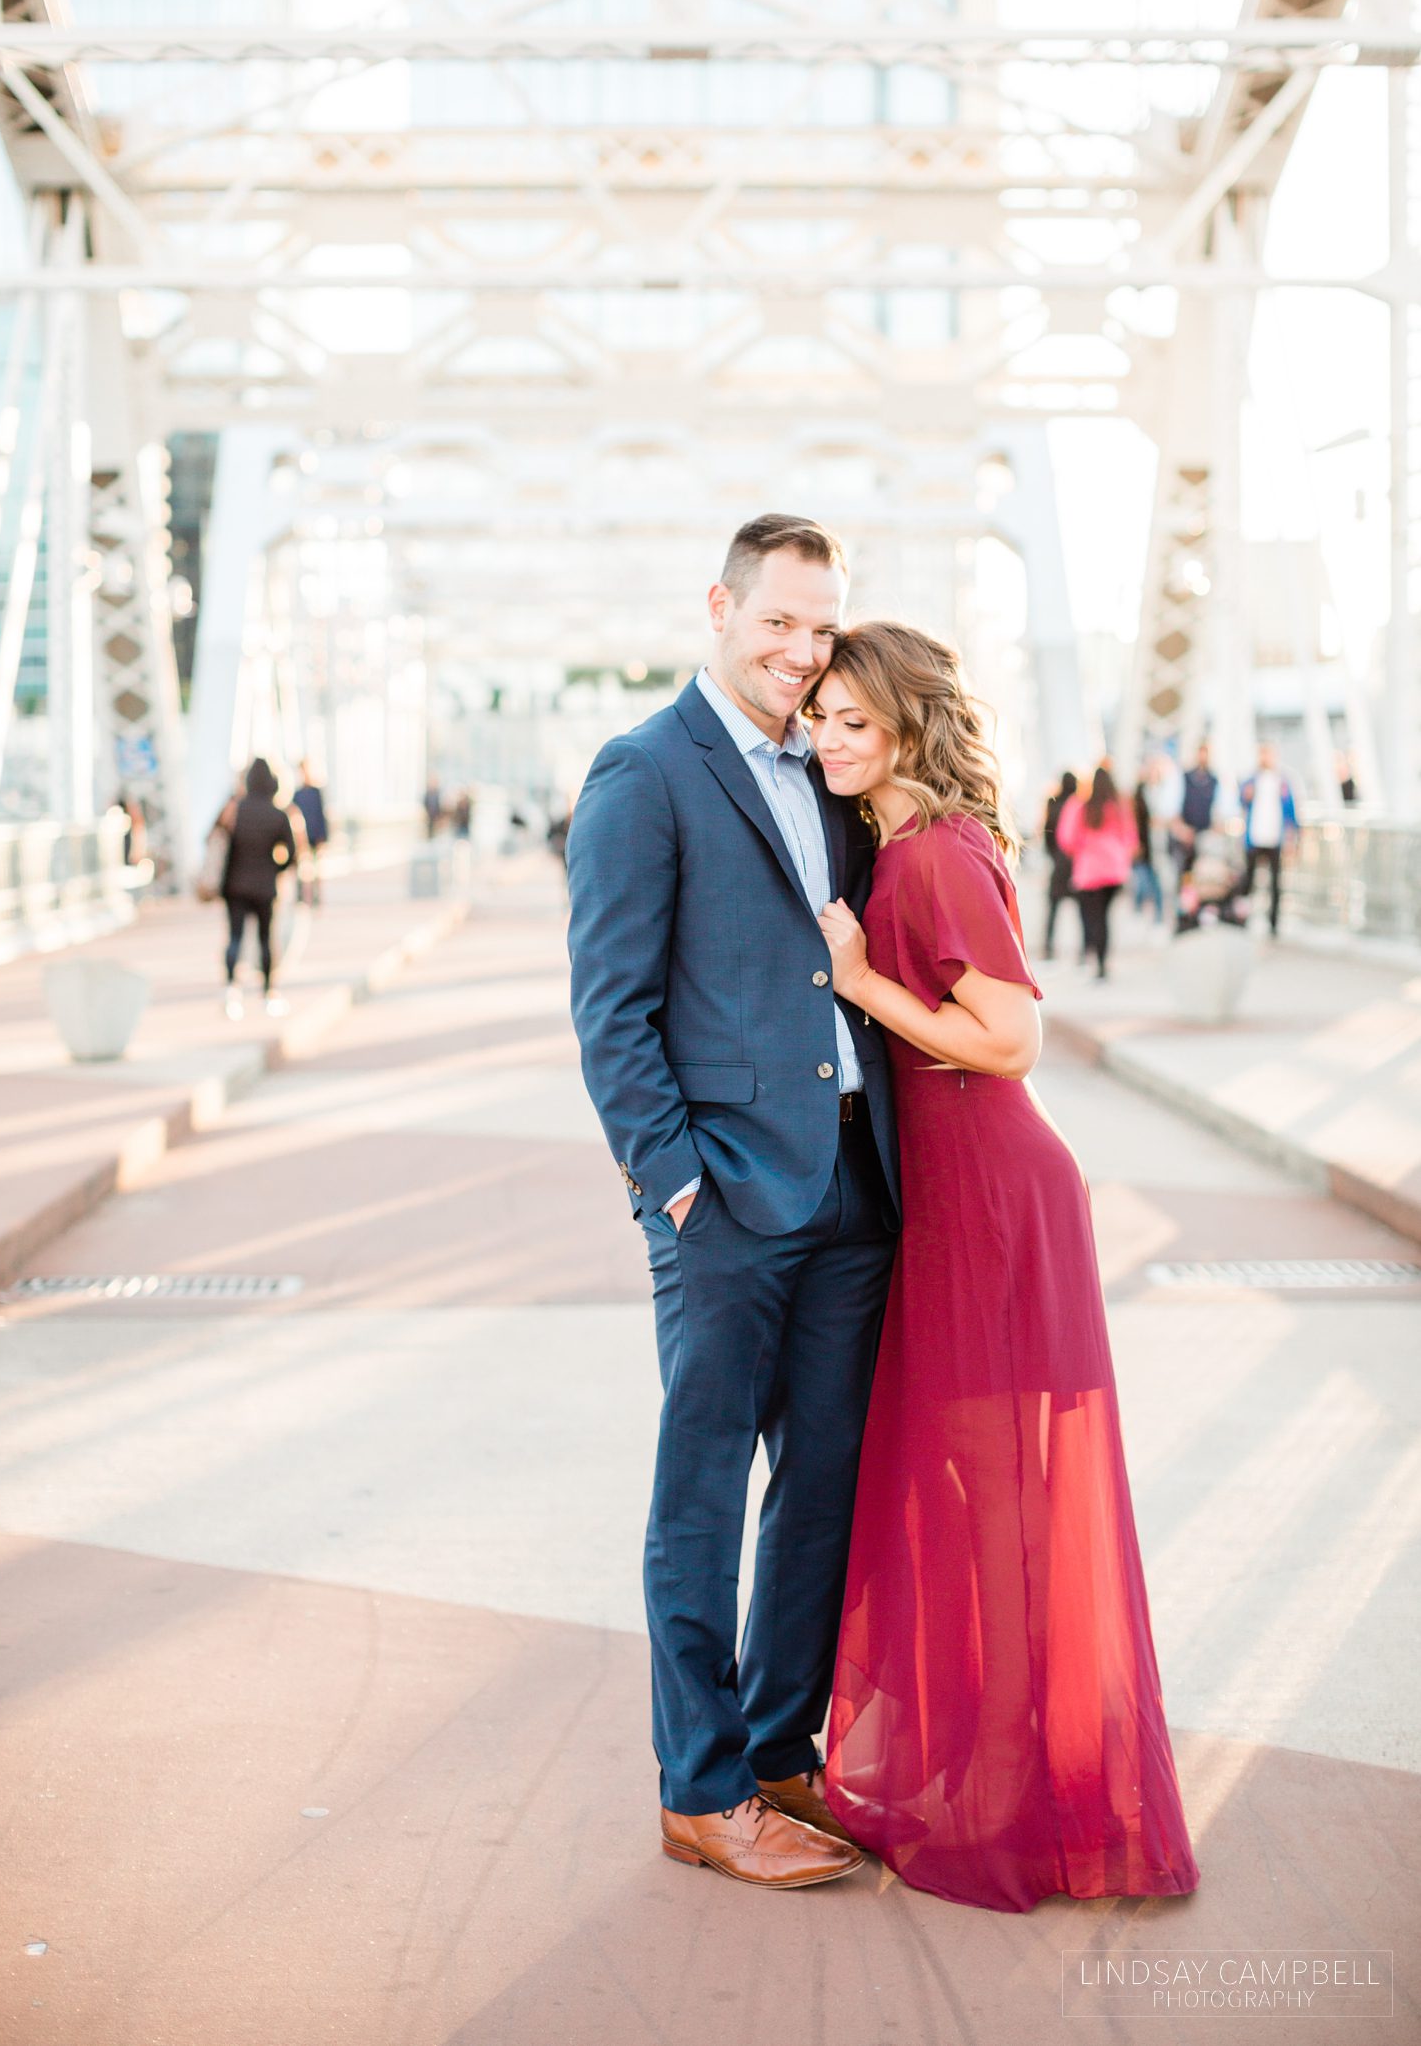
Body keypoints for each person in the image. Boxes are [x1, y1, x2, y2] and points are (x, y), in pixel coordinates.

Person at [809, 619, 1199, 1913]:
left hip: (990, 1194)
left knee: (1001, 1510)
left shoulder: (930, 856)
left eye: (853, 722)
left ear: (909, 726)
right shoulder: (922, 842)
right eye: (820, 719)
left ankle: (1017, 1784)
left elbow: (1013, 1038)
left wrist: (862, 984)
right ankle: (1018, 1765)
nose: (829, 741)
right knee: (992, 1497)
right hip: (965, 1193)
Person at [566, 513, 901, 1890]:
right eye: (779, 623)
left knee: (820, 1485)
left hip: (847, 1192)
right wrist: (681, 1187)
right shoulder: (646, 771)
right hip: (722, 1204)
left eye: (822, 629)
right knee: (702, 1489)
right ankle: (697, 1789)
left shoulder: (830, 768)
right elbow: (610, 1010)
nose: (802, 654)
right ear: (720, 606)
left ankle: (775, 1748)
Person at [215, 756, 298, 1019]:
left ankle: (231, 989)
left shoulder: (235, 810)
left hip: (235, 886)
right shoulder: (278, 815)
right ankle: (268, 992)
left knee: (235, 938)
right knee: (265, 939)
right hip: (265, 887)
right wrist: (275, 869)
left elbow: (215, 838)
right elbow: (293, 855)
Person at [1056, 767, 1138, 980]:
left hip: (1089, 870)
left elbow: (1066, 838)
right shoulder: (1119, 808)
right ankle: (1101, 961)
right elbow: (1130, 839)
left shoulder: (1081, 807)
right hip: (1114, 870)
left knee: (1092, 917)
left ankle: (1092, 955)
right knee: (1104, 917)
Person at [1238, 742, 1300, 935]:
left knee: (1275, 883)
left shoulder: (1282, 782)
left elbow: (1291, 812)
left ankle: (1273, 924)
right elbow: (1240, 801)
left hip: (1275, 838)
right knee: (1248, 881)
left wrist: (1293, 837)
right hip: (1254, 837)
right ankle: (1242, 918)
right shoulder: (1250, 781)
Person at [1040, 769, 1078, 960]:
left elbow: (1047, 832)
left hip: (1058, 861)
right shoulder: (1078, 805)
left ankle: (1048, 946)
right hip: (1075, 862)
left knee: (1053, 907)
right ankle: (1085, 949)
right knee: (1082, 908)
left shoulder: (1053, 803)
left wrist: (1053, 855)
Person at [1170, 741, 1218, 880]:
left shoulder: (1214, 780)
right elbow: (1174, 807)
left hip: (1205, 835)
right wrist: (1182, 829)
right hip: (1184, 836)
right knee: (1183, 874)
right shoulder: (1184, 778)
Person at [291, 760, 330, 907]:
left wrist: (323, 838)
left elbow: (321, 815)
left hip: (315, 835)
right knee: (302, 869)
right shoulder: (297, 794)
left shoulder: (316, 792)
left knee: (316, 869)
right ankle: (301, 896)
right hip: (302, 838)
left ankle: (316, 897)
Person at [1130, 762, 1164, 921]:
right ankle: (1139, 913)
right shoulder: (1139, 795)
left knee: (1156, 883)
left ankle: (1157, 916)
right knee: (1142, 883)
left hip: (1156, 846)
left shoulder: (1160, 792)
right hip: (1142, 846)